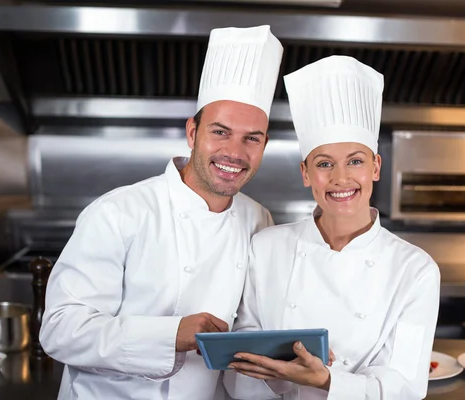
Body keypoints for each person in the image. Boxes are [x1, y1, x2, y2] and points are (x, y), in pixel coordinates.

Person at [39, 25, 284, 400]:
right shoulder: (118, 212)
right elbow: (59, 329)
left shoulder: (259, 220)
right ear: (192, 133)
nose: (235, 152)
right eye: (220, 132)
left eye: (252, 138)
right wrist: (172, 335)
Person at [223, 55, 441, 399]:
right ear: (306, 173)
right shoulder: (265, 247)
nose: (340, 178)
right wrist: (280, 373)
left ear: (376, 167)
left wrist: (326, 381)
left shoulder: (415, 270)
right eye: (325, 164)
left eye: (355, 161)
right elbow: (244, 348)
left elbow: (405, 387)